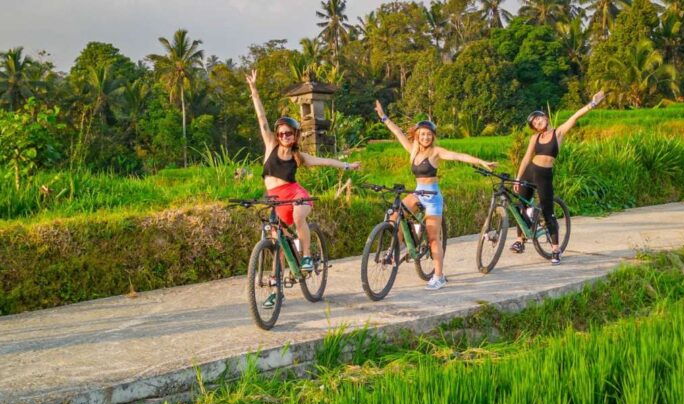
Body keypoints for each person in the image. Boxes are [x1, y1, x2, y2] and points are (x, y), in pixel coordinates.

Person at [247, 69, 361, 307]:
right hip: (274, 198)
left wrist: (348, 165)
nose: (284, 136)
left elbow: (326, 161)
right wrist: (254, 90)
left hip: (295, 194)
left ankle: (307, 257)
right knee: (276, 244)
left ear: (295, 135)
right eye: (281, 133)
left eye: (289, 133)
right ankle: (275, 291)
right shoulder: (270, 145)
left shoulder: (300, 156)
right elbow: (261, 119)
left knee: (300, 217)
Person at [374, 100, 497, 290]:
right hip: (417, 193)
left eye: (429, 135)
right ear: (417, 136)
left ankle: (439, 276)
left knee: (433, 238)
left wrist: (481, 162)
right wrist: (383, 116)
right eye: (422, 134)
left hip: (432, 197)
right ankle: (394, 251)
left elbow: (459, 156)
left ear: (433, 137)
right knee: (394, 215)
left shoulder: (436, 152)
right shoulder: (413, 150)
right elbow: (397, 132)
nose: (425, 137)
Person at [511, 91, 606, 265]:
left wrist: (592, 103)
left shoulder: (558, 133)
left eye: (539, 119)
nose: (538, 122)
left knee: (549, 213)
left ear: (545, 118)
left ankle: (555, 249)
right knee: (520, 204)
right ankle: (520, 240)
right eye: (534, 123)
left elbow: (575, 117)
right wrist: (518, 178)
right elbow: (526, 158)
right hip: (530, 171)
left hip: (544, 175)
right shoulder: (535, 138)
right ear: (535, 128)